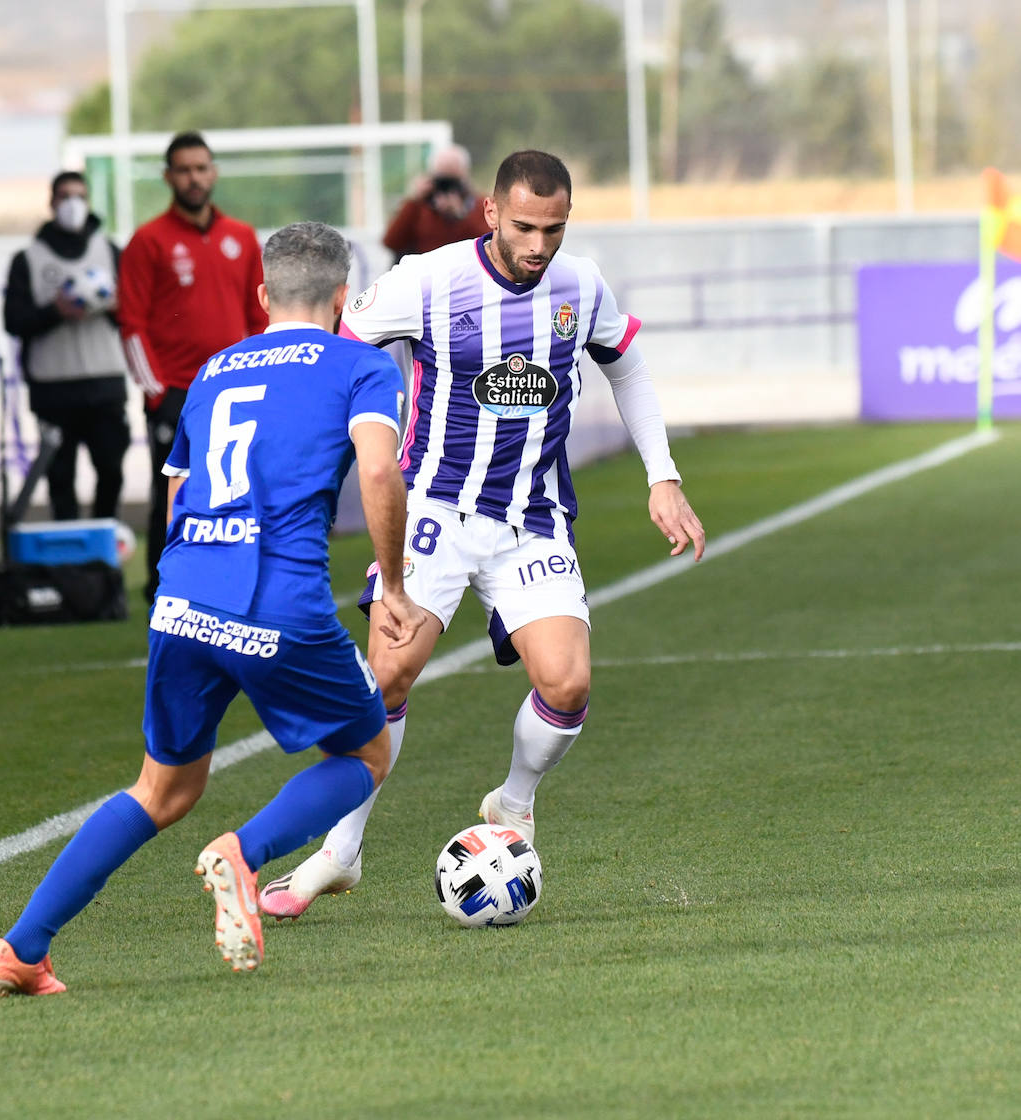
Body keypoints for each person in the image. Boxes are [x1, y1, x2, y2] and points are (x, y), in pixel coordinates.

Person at [0, 221, 426, 993]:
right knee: (364, 755)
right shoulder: (360, 365)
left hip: (183, 595)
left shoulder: (217, 368)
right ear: (343, 297)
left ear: (261, 294)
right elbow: (381, 475)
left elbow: (180, 491)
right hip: (276, 596)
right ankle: (242, 858)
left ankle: (20, 948)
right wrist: (393, 583)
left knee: (164, 787)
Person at [259, 150, 706, 920]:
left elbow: (627, 367)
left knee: (567, 685)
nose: (539, 246)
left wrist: (660, 475)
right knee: (390, 674)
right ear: (492, 213)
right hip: (433, 507)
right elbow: (340, 344)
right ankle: (341, 851)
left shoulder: (580, 286)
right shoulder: (427, 281)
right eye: (526, 227)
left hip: (532, 518)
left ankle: (515, 801)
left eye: (554, 229)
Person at [117, 130, 267, 604]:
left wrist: (263, 377)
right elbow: (131, 325)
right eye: (184, 170)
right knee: (174, 494)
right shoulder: (148, 241)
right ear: (168, 177)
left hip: (235, 389)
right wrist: (157, 393)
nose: (194, 178)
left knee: (240, 486)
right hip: (177, 392)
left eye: (201, 168)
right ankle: (164, 590)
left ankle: (232, 586)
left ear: (213, 172)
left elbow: (259, 316)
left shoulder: (240, 237)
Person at [2, 173, 132, 522]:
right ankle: (67, 557)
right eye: (65, 196)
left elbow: (136, 316)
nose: (72, 204)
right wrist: (56, 312)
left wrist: (117, 307)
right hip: (53, 389)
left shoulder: (110, 252)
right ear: (52, 203)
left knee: (111, 470)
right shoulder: (28, 259)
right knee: (60, 479)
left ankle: (105, 546)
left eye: (80, 196)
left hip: (104, 384)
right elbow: (13, 321)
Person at [381, 143, 491, 263]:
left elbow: (489, 244)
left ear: (465, 176)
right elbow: (390, 242)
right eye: (441, 180)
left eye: (452, 181)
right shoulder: (418, 207)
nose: (446, 188)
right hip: (424, 273)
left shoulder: (480, 205)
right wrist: (414, 200)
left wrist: (461, 215)